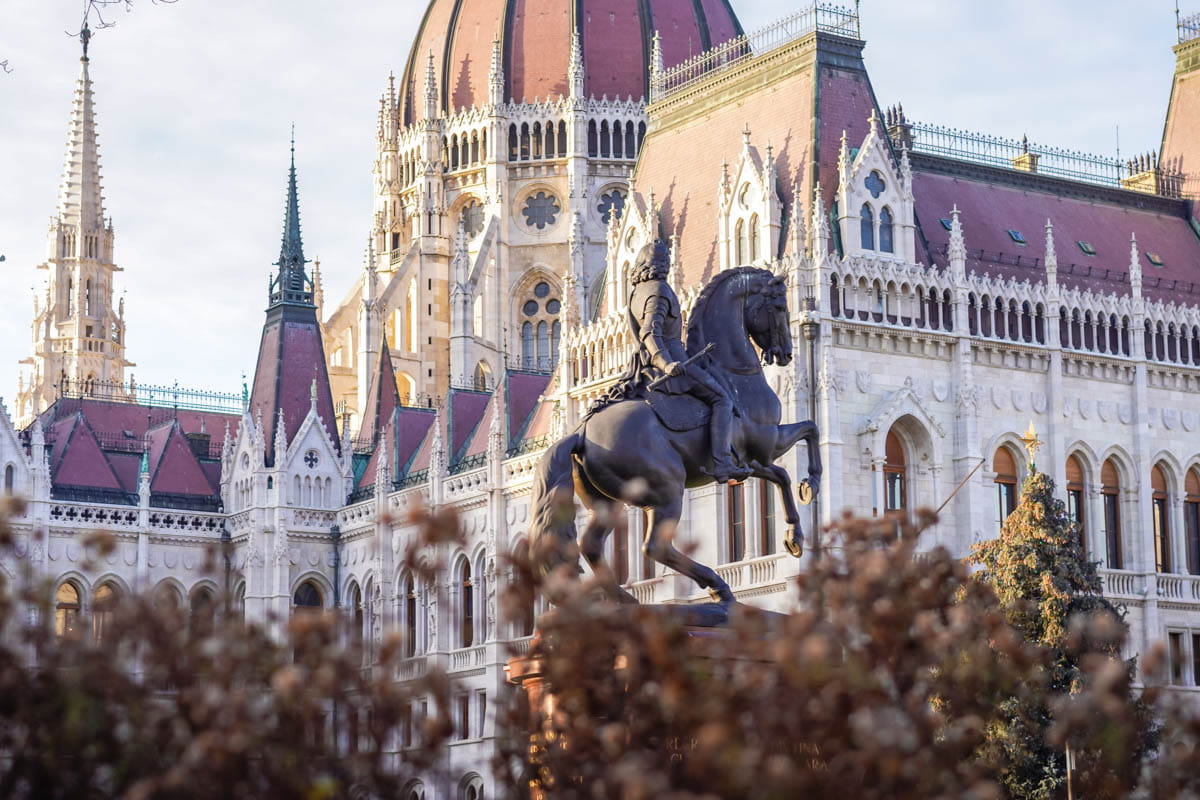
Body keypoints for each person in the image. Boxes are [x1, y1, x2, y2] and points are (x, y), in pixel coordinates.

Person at [625, 239, 747, 483]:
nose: (668, 265)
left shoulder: (636, 293)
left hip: (643, 365)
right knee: (721, 398)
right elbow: (649, 332)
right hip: (670, 366)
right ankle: (723, 464)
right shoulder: (658, 290)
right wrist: (666, 363)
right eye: (666, 261)